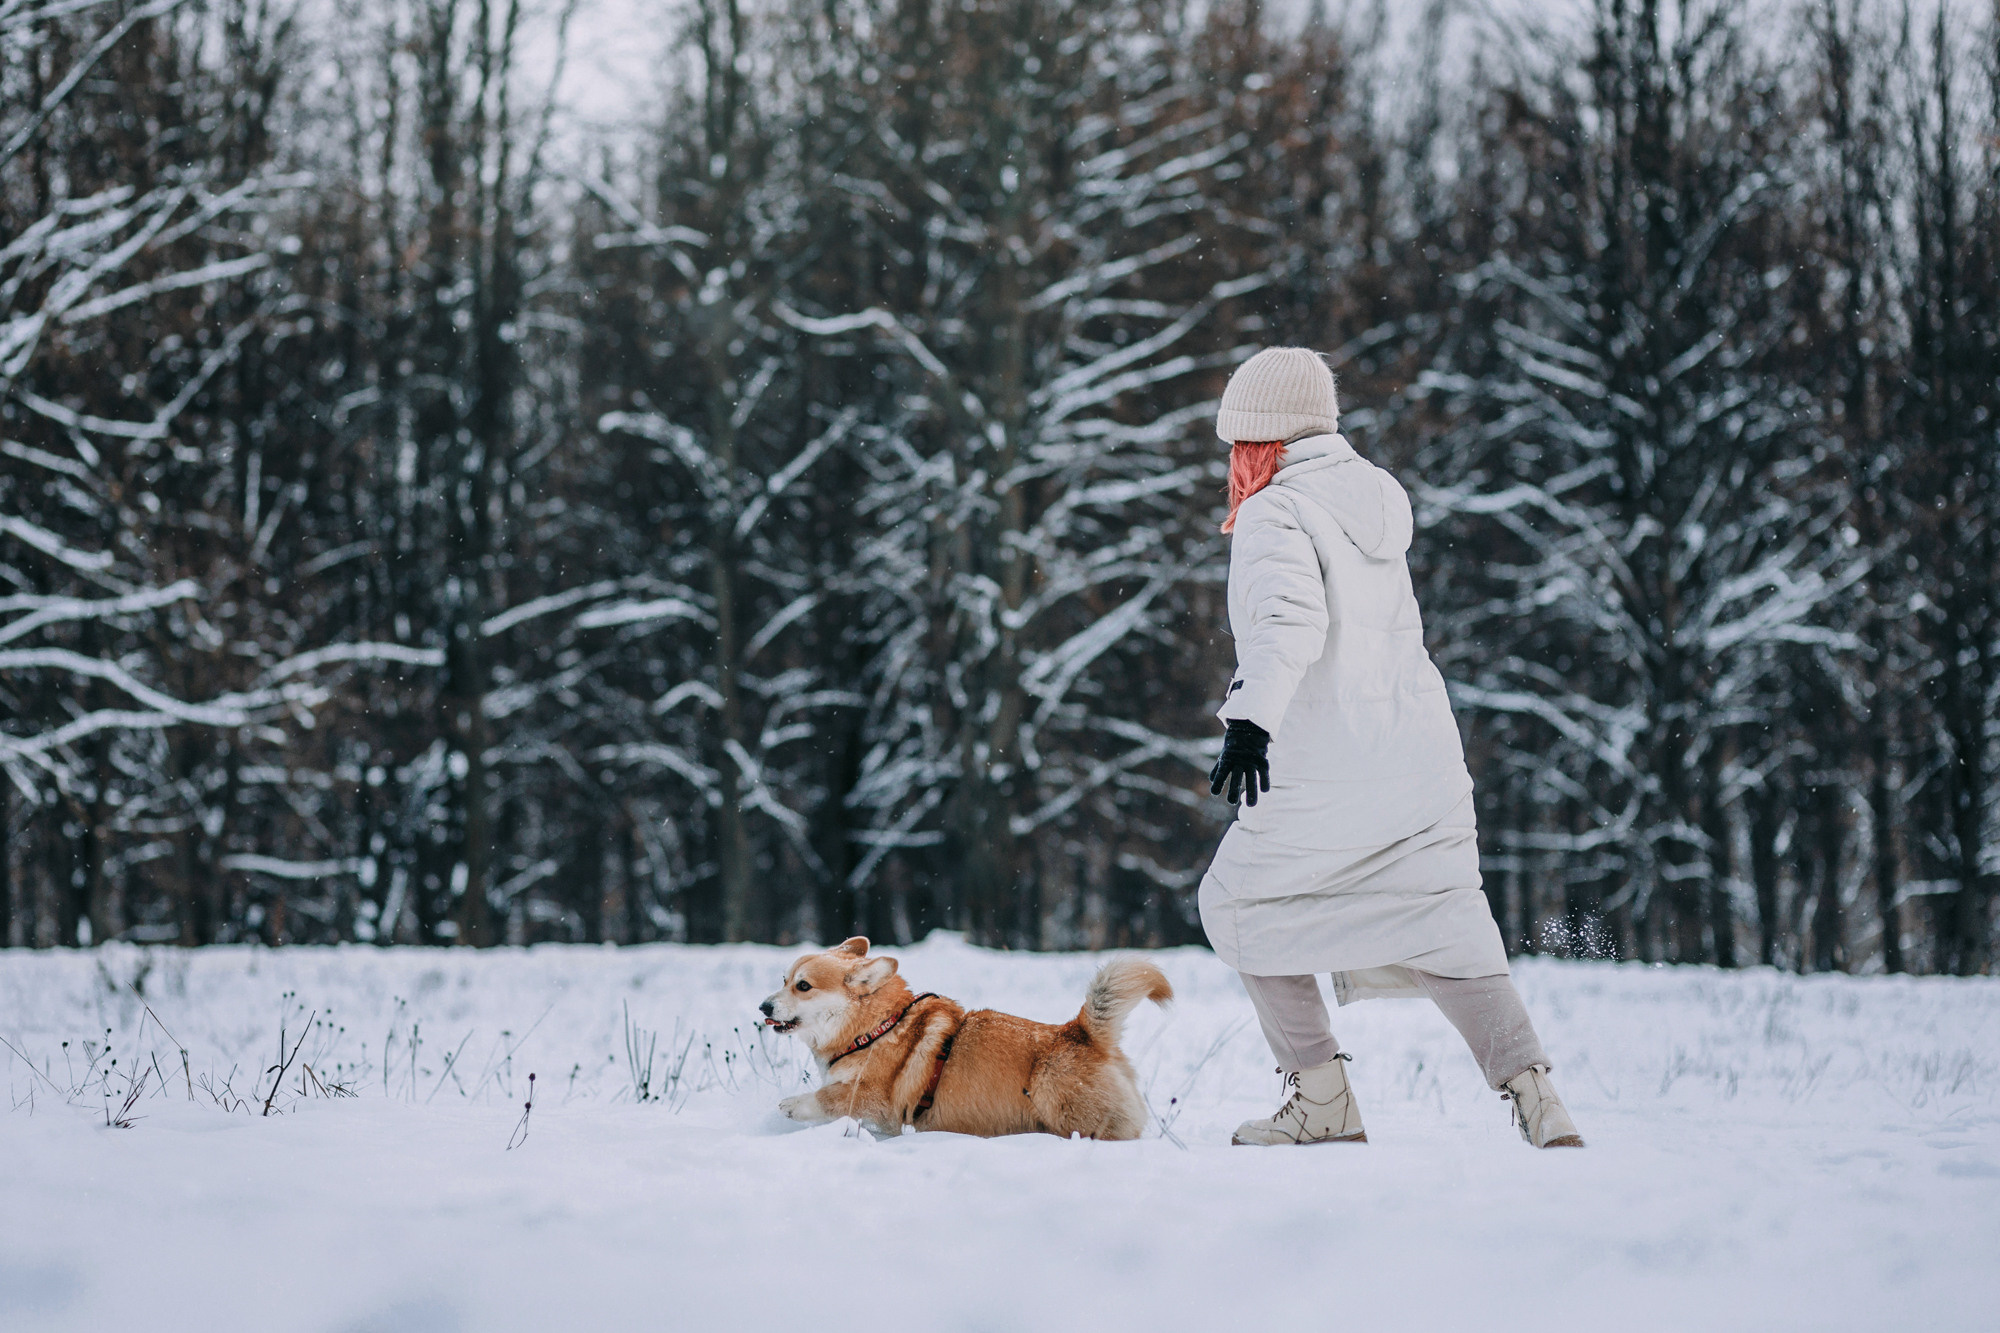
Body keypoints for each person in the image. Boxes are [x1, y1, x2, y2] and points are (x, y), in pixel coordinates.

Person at [1198, 347, 1584, 1149]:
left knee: (1237, 905)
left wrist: (1249, 719)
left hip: (1327, 768)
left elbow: (1287, 624)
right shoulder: (1372, 495)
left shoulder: (1276, 511)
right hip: (1417, 759)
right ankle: (1537, 1093)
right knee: (1443, 916)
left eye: (1238, 444)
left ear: (1262, 441)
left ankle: (1322, 1096)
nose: (1232, 462)